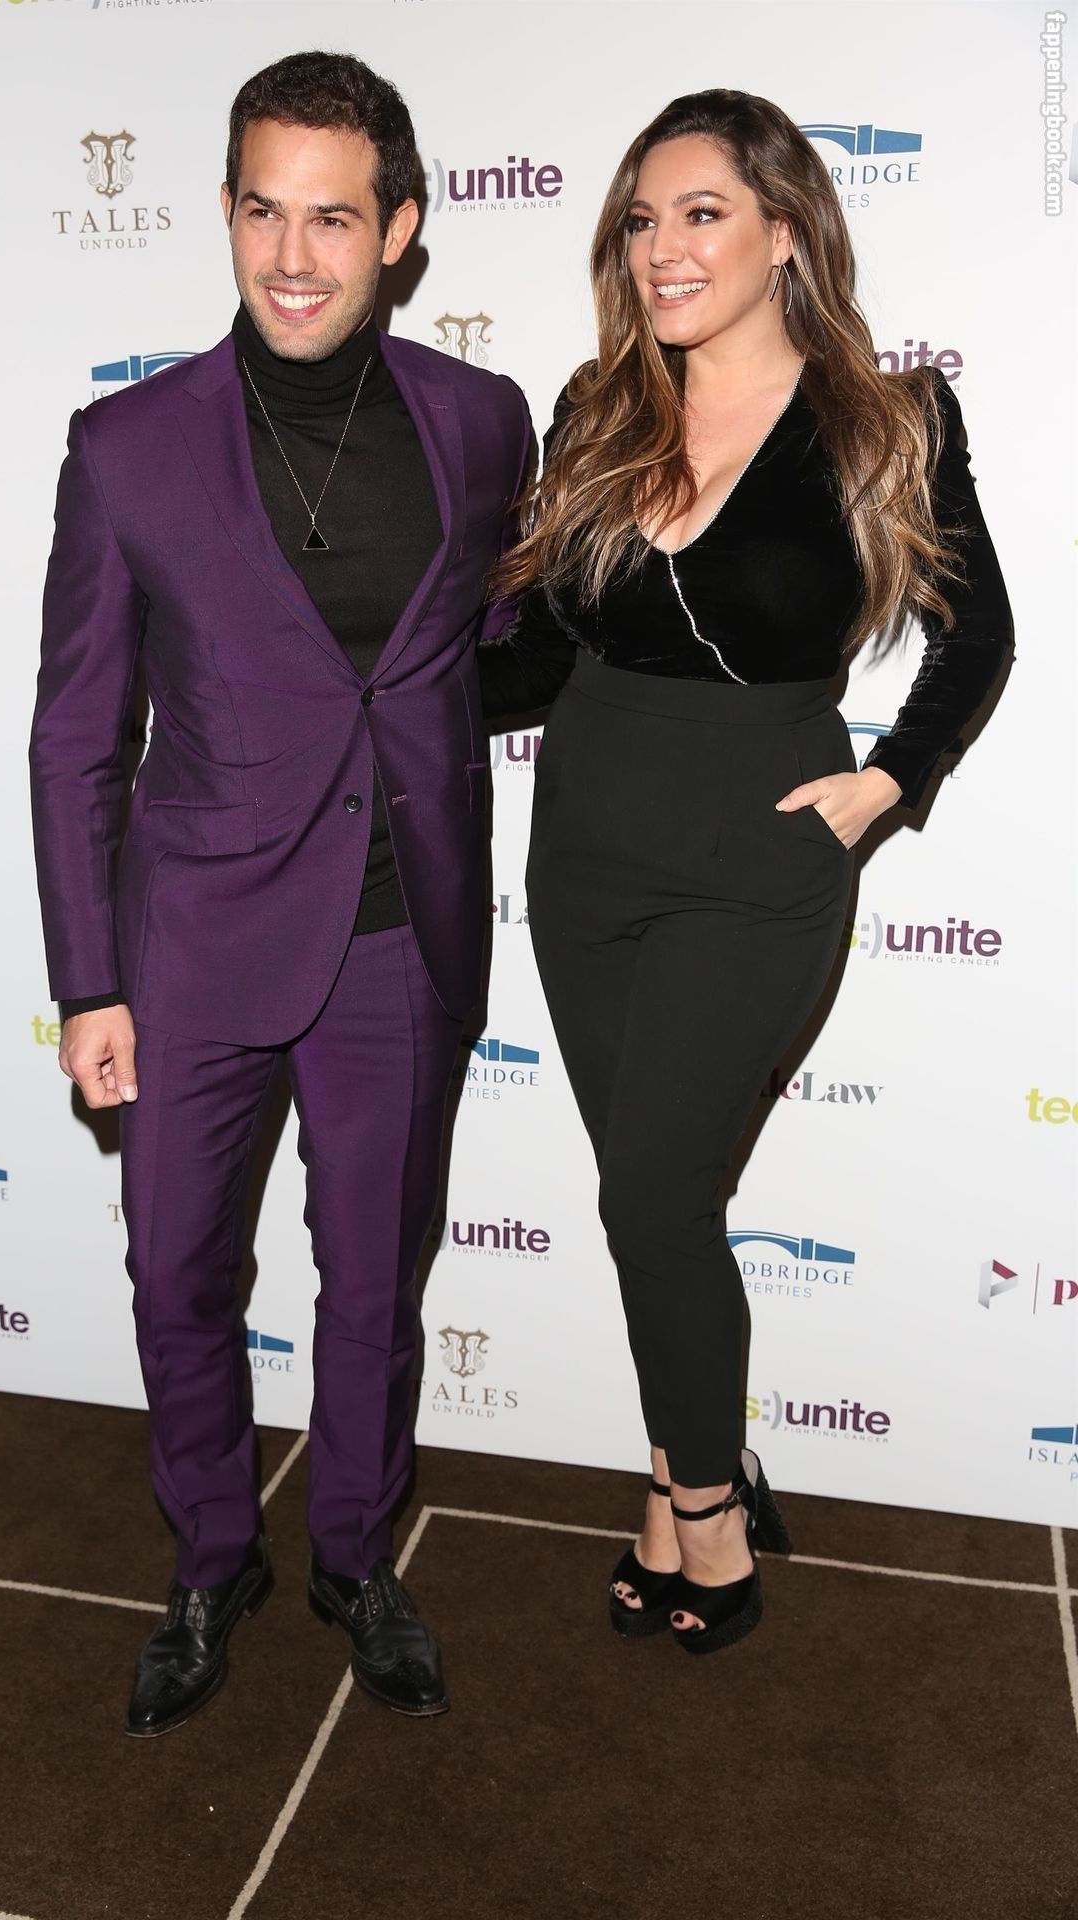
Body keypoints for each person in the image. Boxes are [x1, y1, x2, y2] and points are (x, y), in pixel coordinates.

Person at [30, 50, 530, 1733]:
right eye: (262, 211)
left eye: (331, 218)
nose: (292, 257)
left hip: (398, 935)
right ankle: (207, 1557)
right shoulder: (128, 447)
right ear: (229, 213)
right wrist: (88, 982)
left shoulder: (481, 421)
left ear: (400, 228)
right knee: (179, 1276)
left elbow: (488, 644)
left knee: (376, 1285)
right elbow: (75, 737)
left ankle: (356, 1556)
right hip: (190, 946)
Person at [479, 89, 1012, 1655]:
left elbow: (977, 632)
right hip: (586, 852)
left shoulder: (888, 421)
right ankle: (690, 1467)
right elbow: (535, 657)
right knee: (659, 1206)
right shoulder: (597, 411)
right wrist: (363, 689)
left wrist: (890, 783)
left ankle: (703, 1513)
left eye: (701, 211)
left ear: (785, 231)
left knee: (651, 1192)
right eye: (642, 220)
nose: (663, 246)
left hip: (756, 860)